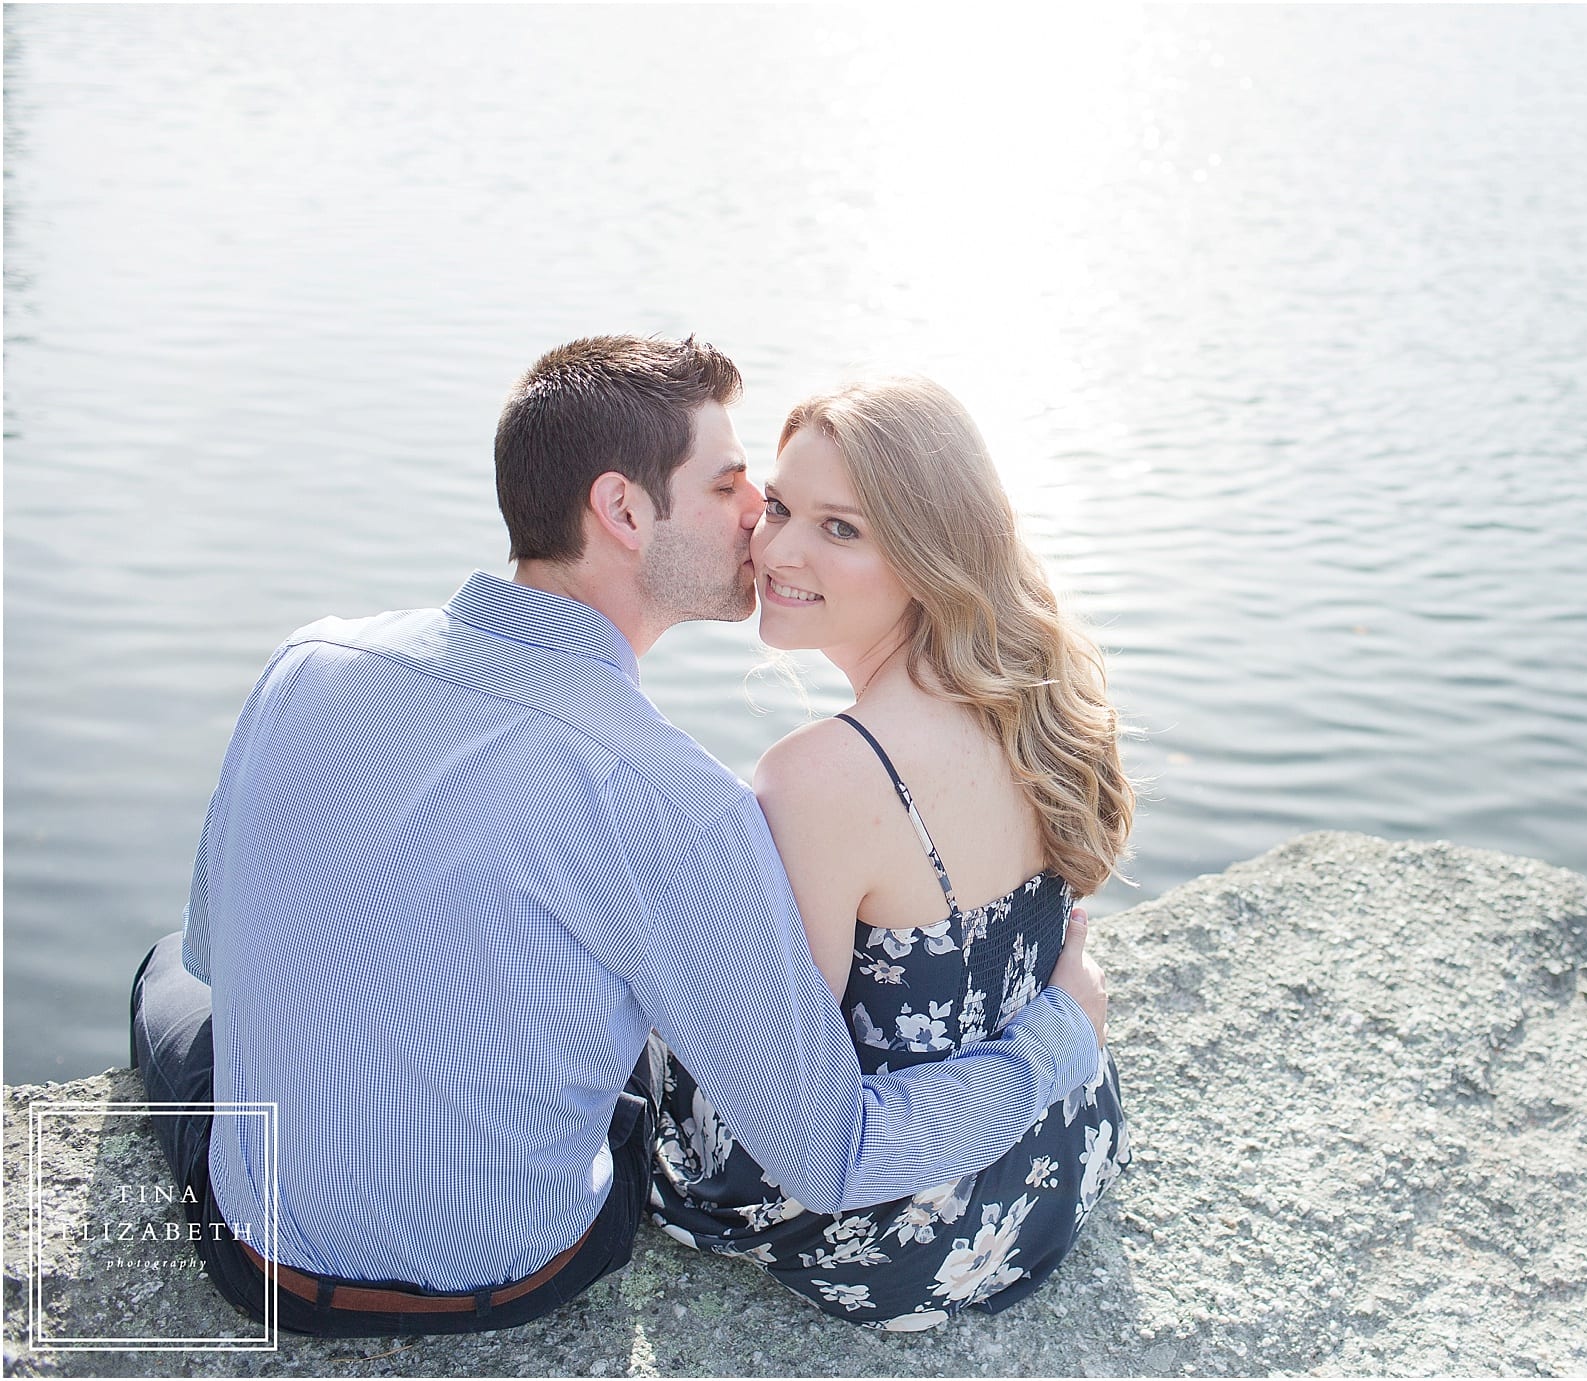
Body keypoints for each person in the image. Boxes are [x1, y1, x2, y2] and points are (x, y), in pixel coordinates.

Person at [126, 335, 1108, 1338]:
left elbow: (215, 955)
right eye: (735, 487)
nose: (757, 529)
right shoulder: (682, 803)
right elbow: (829, 1154)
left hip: (255, 1257)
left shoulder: (308, 659)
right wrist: (1056, 1039)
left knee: (166, 967)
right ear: (624, 511)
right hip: (516, 1272)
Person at [647, 376, 1135, 1331]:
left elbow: (780, 1118)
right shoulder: (1032, 699)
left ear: (926, 556)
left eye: (842, 528)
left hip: (903, 1233)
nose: (778, 548)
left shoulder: (817, 778)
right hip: (1061, 1153)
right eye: (779, 505)